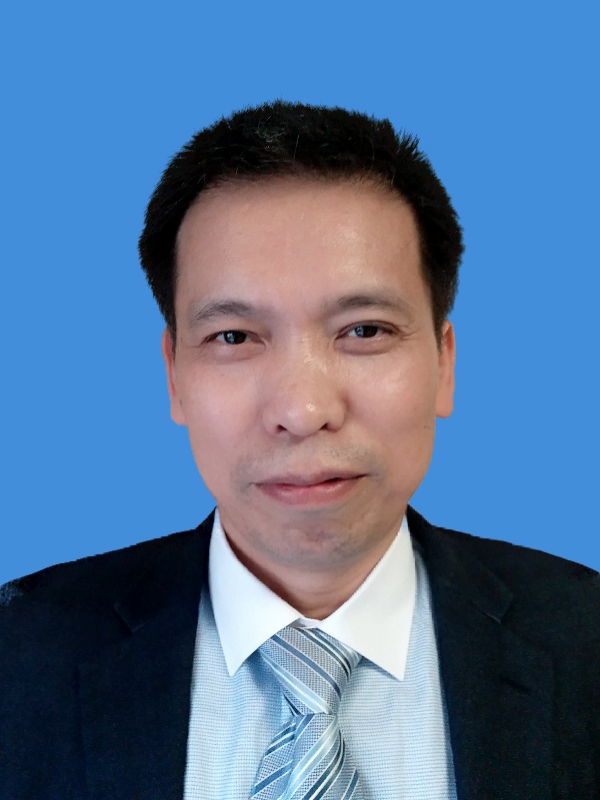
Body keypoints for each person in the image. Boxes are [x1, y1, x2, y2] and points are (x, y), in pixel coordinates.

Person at [0, 101, 598, 800]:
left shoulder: (585, 641)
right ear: (173, 377)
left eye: (364, 331)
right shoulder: (19, 656)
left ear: (445, 362)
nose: (304, 411)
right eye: (234, 337)